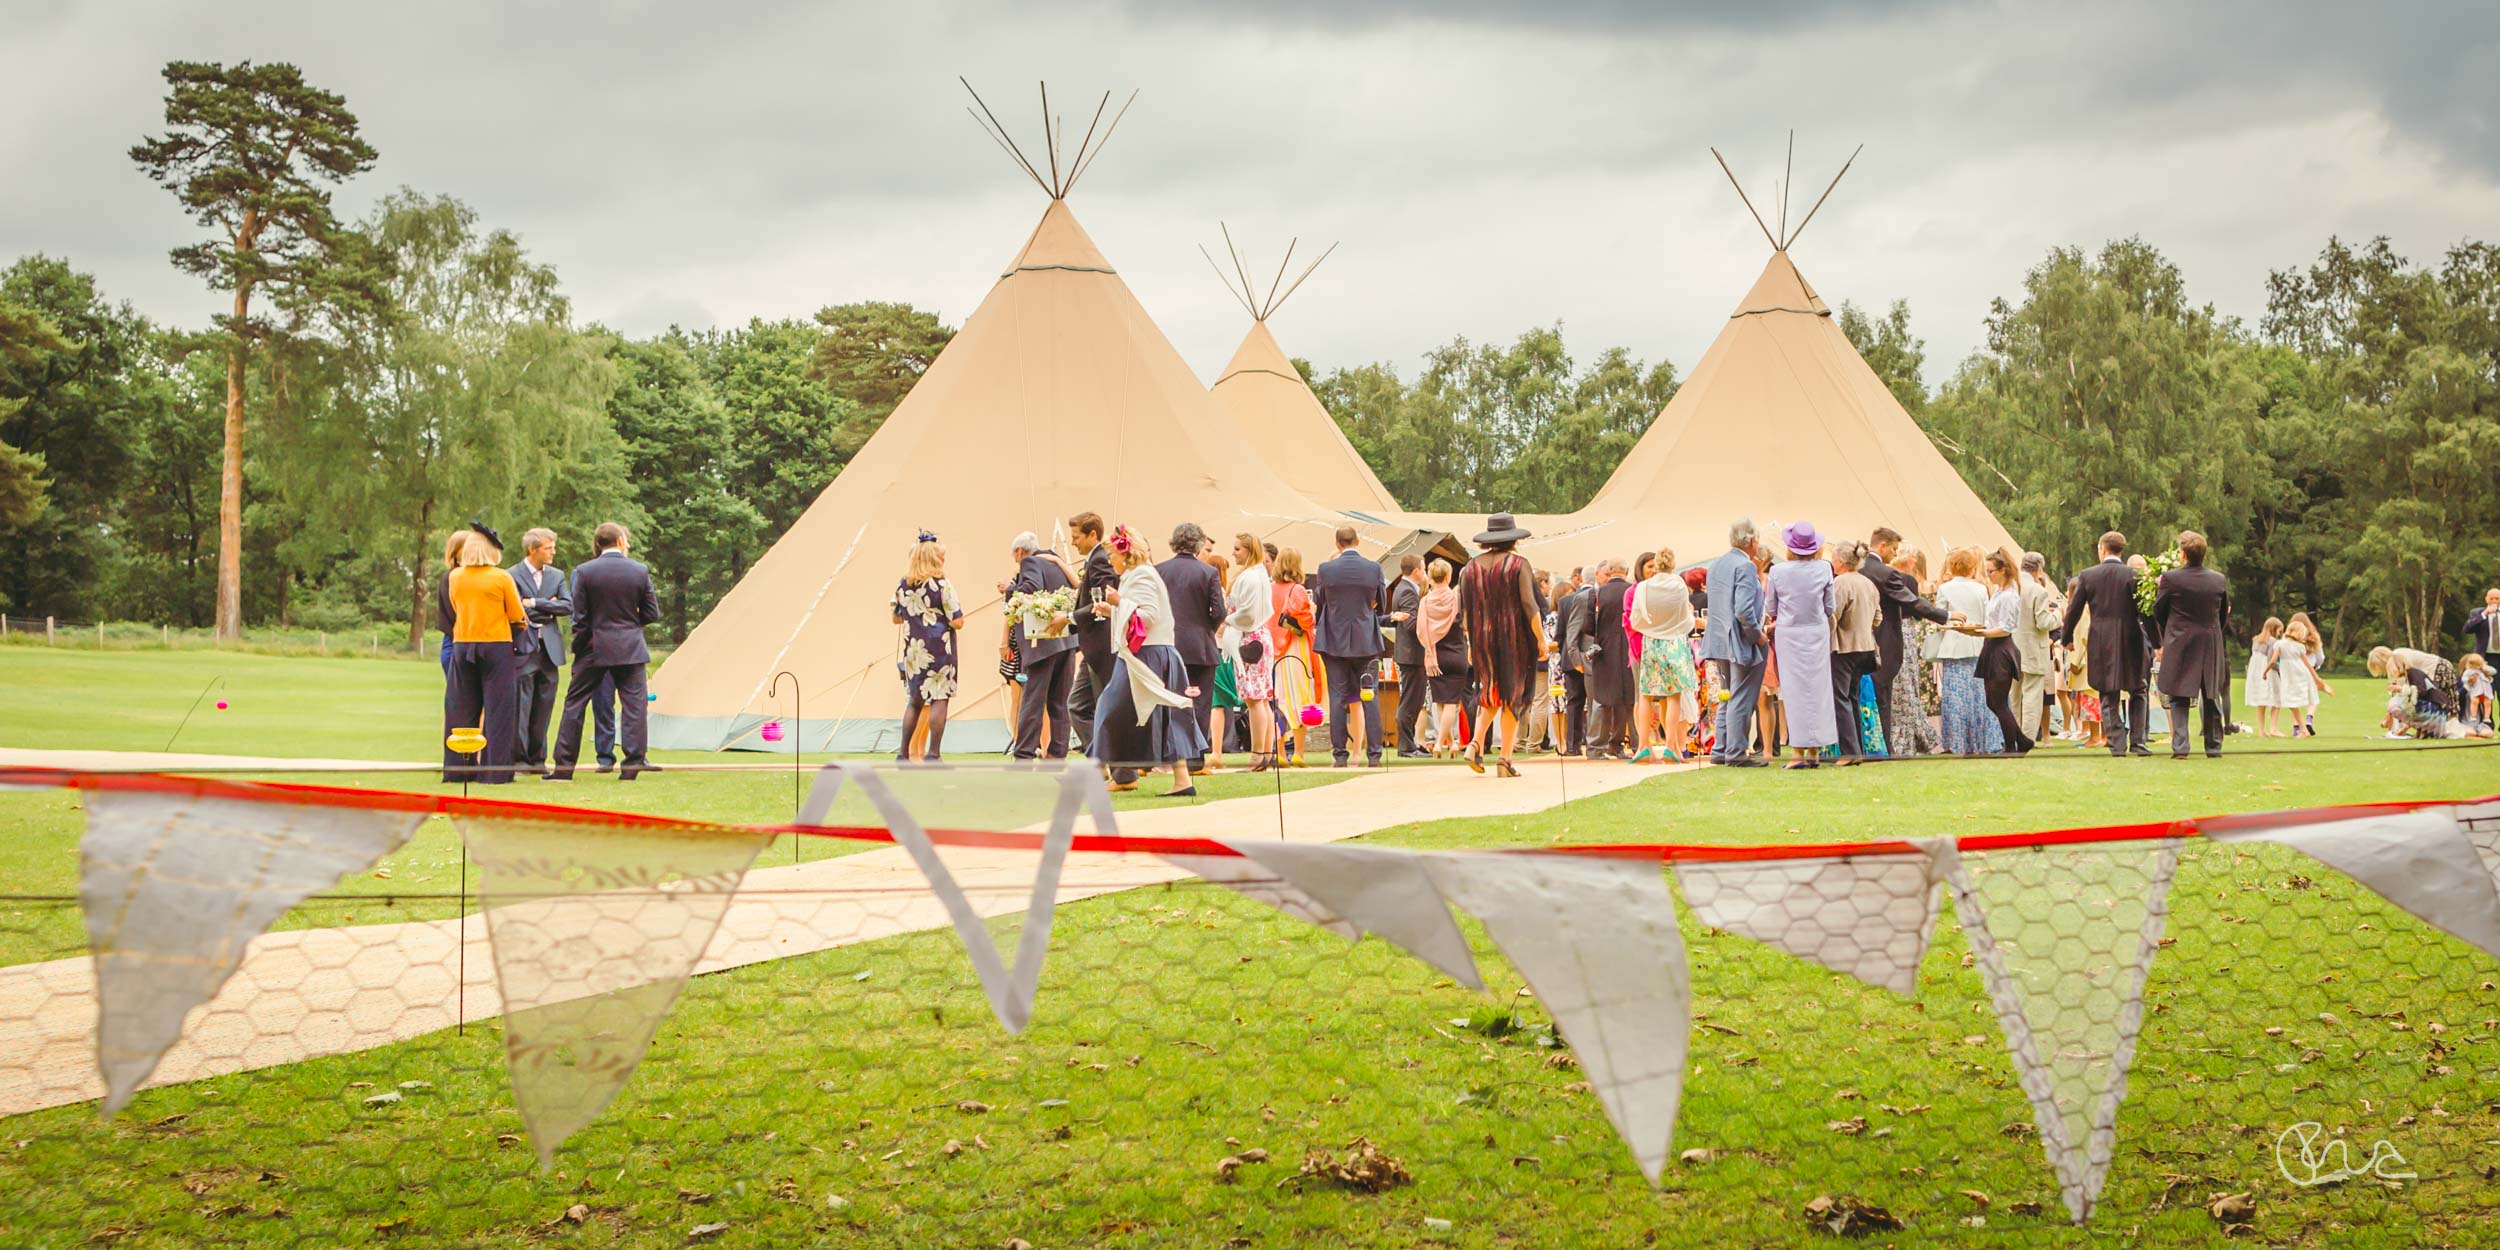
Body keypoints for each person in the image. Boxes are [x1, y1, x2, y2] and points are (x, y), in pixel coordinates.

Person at [1087, 527, 1208, 796]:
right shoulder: (1139, 573)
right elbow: (1138, 615)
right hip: (1152, 653)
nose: (1109, 561)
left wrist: (1119, 601)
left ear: (1124, 553)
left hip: (1146, 656)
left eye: (1111, 555)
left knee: (1108, 708)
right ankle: (1182, 781)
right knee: (1167, 715)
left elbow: (1149, 616)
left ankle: (1100, 775)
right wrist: (1113, 608)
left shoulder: (1140, 574)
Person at [548, 522, 661, 781]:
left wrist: (584, 641)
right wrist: (630, 627)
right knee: (634, 706)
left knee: (575, 704)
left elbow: (579, 616)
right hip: (631, 648)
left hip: (594, 648)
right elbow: (652, 613)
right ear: (621, 541)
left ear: (597, 543)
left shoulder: (584, 571)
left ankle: (564, 768)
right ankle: (631, 765)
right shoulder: (639, 571)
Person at [440, 525, 529, 784]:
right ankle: (495, 772)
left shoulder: (455, 577)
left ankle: (457, 769)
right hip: (496, 644)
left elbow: (456, 607)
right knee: (498, 708)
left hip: (463, 643)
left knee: (460, 708)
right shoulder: (500, 577)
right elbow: (515, 614)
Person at [1458, 512, 1545, 776]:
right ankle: (1505, 759)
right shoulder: (1519, 564)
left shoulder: (1469, 568)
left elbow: (1465, 613)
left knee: (1491, 690)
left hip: (1481, 637)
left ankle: (1475, 743)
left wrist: (1472, 644)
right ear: (1513, 539)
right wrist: (1541, 639)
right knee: (1512, 696)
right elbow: (1530, 605)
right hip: (1513, 638)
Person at [2061, 531, 2152, 757]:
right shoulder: (2135, 575)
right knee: (2138, 689)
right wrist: (2156, 640)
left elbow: (2074, 609)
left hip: (2101, 637)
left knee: (2107, 690)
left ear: (2102, 549)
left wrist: (2066, 637)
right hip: (2131, 634)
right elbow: (2147, 612)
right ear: (2121, 550)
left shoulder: (2089, 575)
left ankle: (2116, 742)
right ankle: (2139, 741)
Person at [1861, 527, 1951, 750]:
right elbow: (1912, 602)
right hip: (1884, 642)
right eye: (1893, 548)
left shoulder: (1856, 569)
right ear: (1882, 546)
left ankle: (1861, 744)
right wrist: (1945, 615)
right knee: (1883, 698)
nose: (1894, 553)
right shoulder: (1885, 573)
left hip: (1856, 641)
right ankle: (1884, 748)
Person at [1309, 526, 1386, 767]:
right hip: (1365, 639)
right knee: (1369, 695)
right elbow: (1381, 605)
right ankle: (1374, 755)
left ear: (1337, 543)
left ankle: (1339, 755)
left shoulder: (1326, 569)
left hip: (1334, 640)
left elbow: (1320, 604)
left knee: (1337, 697)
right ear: (1358, 541)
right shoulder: (1374, 569)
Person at [2152, 529, 2232, 759]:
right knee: (2211, 693)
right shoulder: (2218, 579)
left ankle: (2181, 747)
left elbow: (2159, 610)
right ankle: (2214, 746)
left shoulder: (2171, 579)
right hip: (2209, 640)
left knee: (2178, 695)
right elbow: (2223, 613)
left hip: (2180, 640)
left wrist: (2171, 629)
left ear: (2183, 555)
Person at [1763, 522, 1837, 768]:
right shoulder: (1824, 569)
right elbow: (1830, 607)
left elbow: (1771, 607)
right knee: (1818, 690)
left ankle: (1797, 753)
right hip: (1816, 632)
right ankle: (1815, 750)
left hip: (1790, 634)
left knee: (1794, 691)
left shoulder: (1778, 572)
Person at [1157, 523, 1229, 773]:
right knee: (1199, 703)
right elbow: (1219, 610)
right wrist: (1205, 627)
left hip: (1168, 646)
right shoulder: (1208, 572)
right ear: (1198, 544)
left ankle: (1170, 756)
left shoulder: (1160, 571)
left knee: (1171, 700)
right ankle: (1196, 760)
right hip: (1200, 648)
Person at [1005, 530, 1080, 761]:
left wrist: (1008, 591)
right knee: (1059, 703)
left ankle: (1024, 755)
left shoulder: (1030, 561)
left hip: (1041, 644)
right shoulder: (1057, 563)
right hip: (1066, 642)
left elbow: (1031, 586)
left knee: (1032, 701)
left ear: (1019, 552)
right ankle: (1057, 756)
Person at [1700, 520, 1770, 767]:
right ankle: (1737, 752)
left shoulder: (1716, 564)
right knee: (1741, 697)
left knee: (1727, 696)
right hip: (1741, 641)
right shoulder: (1745, 566)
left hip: (1719, 640)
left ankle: (1721, 749)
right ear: (1752, 541)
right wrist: (1758, 635)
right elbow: (1742, 610)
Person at [892, 531, 964, 762]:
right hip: (939, 647)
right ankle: (934, 753)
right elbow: (957, 620)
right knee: (939, 698)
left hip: (914, 649)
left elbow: (896, 617)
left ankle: (903, 753)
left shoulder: (903, 584)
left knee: (915, 700)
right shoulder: (942, 584)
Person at [507, 528, 572, 776]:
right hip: (523, 649)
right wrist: (550, 605)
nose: (553, 552)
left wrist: (533, 603)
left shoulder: (556, 575)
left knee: (544, 707)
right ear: (532, 549)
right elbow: (515, 610)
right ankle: (519, 759)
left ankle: (538, 760)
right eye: (548, 547)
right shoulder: (511, 575)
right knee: (520, 707)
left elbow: (567, 606)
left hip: (550, 651)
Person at [1630, 546, 1698, 763]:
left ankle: (1642, 746)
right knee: (1673, 695)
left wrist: (1651, 629)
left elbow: (1636, 619)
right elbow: (1685, 617)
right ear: (1673, 564)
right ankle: (1671, 746)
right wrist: (1676, 627)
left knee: (1646, 695)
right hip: (1675, 642)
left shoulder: (1643, 587)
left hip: (1652, 642)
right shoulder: (1679, 585)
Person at [1967, 549, 2035, 755]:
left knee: (1998, 701)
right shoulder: (1998, 591)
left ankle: (2012, 745)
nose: (1989, 575)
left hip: (2001, 648)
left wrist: (1982, 633)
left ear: (2003, 570)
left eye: (1991, 571)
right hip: (1992, 646)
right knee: (1993, 701)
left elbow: (2006, 627)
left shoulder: (2009, 596)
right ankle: (2020, 740)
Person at [1934, 547, 1996, 755]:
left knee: (1955, 697)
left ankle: (1956, 741)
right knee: (1978, 696)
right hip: (1977, 645)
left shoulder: (1945, 589)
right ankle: (1979, 740)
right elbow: (1987, 617)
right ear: (1973, 567)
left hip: (1953, 646)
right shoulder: (1980, 589)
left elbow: (1938, 616)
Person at [1884, 547, 1945, 755]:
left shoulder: (1883, 577)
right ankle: (1913, 734)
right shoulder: (1908, 581)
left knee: (1899, 686)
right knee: (1909, 683)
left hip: (1888, 633)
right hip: (1906, 632)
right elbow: (1914, 610)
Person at [1224, 533, 1278, 771]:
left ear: (1248, 550)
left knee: (1254, 699)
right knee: (1261, 699)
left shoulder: (1250, 577)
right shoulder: (1259, 575)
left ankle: (1257, 754)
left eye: (1237, 549)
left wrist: (1227, 619)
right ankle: (1265, 752)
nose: (1233, 552)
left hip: (1250, 637)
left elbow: (1246, 613)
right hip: (1259, 635)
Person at [1067, 512, 1118, 755]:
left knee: (1097, 708)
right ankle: (1104, 764)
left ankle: (1116, 769)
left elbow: (1101, 599)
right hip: (1093, 647)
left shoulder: (1099, 560)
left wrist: (1068, 617)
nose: (1073, 542)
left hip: (1100, 647)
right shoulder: (1094, 559)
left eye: (1076, 537)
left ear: (1093, 534)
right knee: (1080, 706)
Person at [1268, 548, 1320, 767]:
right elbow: (1306, 619)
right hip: (1295, 646)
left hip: (1273, 648)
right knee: (1300, 696)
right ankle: (1298, 752)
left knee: (1278, 698)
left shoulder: (1269, 589)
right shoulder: (1297, 589)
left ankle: (1279, 750)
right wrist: (1314, 611)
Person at [1827, 540, 1878, 761]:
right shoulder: (1868, 583)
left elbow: (1831, 616)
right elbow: (1878, 617)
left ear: (1840, 560)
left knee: (1840, 698)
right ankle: (1857, 749)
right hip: (1866, 646)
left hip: (1844, 647)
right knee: (1853, 697)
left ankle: (1849, 752)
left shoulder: (1840, 584)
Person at [1417, 560, 1471, 758]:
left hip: (1435, 656)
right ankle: (1445, 743)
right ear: (1448, 576)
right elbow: (1466, 624)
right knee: (1450, 703)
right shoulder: (1456, 598)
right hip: (1457, 653)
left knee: (1440, 702)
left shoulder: (1425, 602)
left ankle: (1447, 742)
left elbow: (1421, 631)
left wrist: (1429, 650)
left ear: (1431, 577)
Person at [1583, 557, 1635, 760]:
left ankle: (1596, 746)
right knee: (1628, 699)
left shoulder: (1597, 593)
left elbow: (1588, 627)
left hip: (1604, 651)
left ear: (1609, 571)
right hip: (1630, 650)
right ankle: (1619, 744)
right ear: (1627, 570)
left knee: (1602, 700)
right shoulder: (1634, 591)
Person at [2015, 552, 2063, 744]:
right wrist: (2058, 615)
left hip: (2012, 648)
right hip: (2033, 649)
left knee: (2014, 696)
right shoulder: (2038, 591)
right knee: (2032, 697)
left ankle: (2012, 736)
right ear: (2039, 569)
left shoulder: (2011, 586)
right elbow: (2043, 623)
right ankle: (2026, 738)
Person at [1387, 553, 1429, 757]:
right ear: (1416, 571)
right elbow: (1411, 624)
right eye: (1424, 568)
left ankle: (1410, 743)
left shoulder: (1402, 589)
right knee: (1410, 701)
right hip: (1411, 654)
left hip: (1410, 653)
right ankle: (1406, 746)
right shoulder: (1407, 592)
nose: (1426, 572)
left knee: (1415, 699)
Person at [1556, 566, 1595, 757]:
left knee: (1573, 702)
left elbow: (1560, 635)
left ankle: (1572, 745)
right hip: (1591, 655)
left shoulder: (1564, 601)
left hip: (1569, 657)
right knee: (1594, 700)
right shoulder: (1595, 598)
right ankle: (1594, 742)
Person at [2278, 615, 2331, 735]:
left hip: (2291, 671)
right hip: (2309, 669)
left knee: (2293, 698)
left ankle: (2296, 727)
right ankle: (2309, 718)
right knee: (2312, 695)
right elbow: (2320, 657)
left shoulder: (2286, 637)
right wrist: (2316, 666)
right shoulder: (2314, 636)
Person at [2244, 616, 2287, 736]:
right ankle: (2273, 728)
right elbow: (2271, 660)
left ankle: (2262, 730)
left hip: (2255, 672)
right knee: (2277, 699)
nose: (2280, 633)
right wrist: (2280, 669)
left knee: (2261, 701)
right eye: (2279, 630)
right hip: (2267, 672)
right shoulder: (2273, 642)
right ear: (2274, 629)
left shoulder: (2256, 639)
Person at [2464, 654, 2495, 728]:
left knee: (2487, 703)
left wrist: (2484, 667)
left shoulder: (2484, 670)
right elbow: (2464, 679)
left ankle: (2487, 717)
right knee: (2474, 702)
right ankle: (2473, 715)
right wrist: (2469, 679)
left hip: (2486, 692)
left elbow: (2494, 671)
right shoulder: (2469, 671)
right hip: (2476, 691)